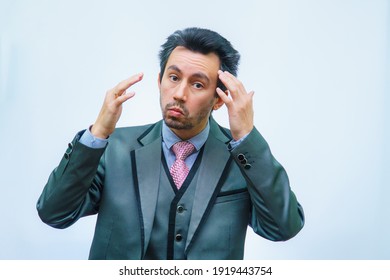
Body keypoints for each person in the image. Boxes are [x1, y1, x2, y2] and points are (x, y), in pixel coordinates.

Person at [37, 27, 304, 260]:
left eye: (198, 84)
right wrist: (97, 135)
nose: (179, 94)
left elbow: (282, 227)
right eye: (173, 78)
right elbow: (55, 213)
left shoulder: (244, 158)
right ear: (159, 80)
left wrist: (246, 136)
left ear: (220, 99)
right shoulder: (113, 149)